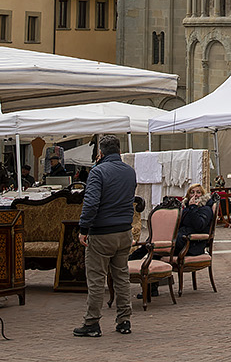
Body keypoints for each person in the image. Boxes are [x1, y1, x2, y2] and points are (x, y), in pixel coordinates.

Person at [74, 134, 137, 338]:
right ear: (119, 151)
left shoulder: (98, 172)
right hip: (124, 231)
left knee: (96, 279)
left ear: (100, 152)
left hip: (102, 233)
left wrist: (84, 228)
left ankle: (92, 322)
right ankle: (124, 320)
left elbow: (91, 203)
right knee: (121, 277)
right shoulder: (130, 172)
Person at [174, 183, 217, 257]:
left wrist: (193, 207)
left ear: (202, 194)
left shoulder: (206, 209)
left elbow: (199, 225)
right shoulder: (186, 209)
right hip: (182, 239)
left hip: (193, 244)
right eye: (192, 192)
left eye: (198, 192)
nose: (195, 195)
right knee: (156, 242)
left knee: (161, 247)